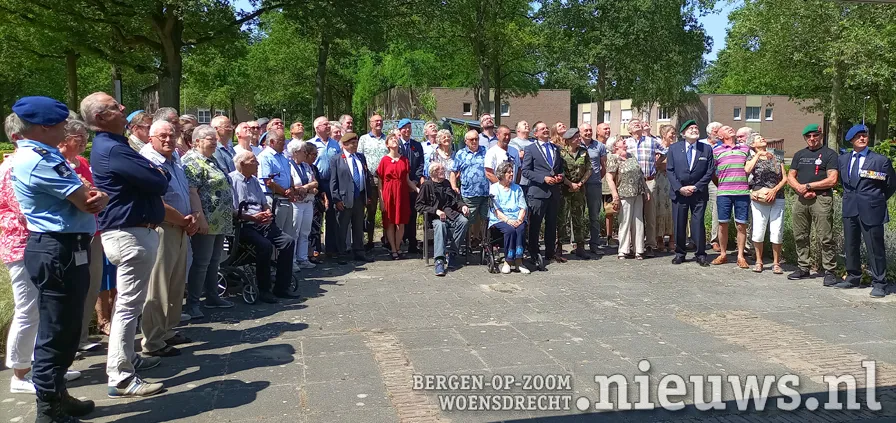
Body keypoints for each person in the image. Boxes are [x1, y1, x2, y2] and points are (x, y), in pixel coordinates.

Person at [12, 96, 109, 421]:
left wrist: (96, 197)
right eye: (60, 125)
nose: (66, 130)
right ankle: (49, 409)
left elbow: (89, 196)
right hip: (57, 248)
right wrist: (97, 198)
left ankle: (59, 395)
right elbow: (86, 201)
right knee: (56, 331)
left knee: (67, 328)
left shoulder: (46, 155)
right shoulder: (39, 159)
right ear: (44, 127)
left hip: (66, 246)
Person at [83, 92, 169, 399]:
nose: (123, 108)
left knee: (127, 304)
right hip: (129, 234)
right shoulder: (113, 149)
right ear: (101, 118)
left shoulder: (116, 146)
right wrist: (156, 173)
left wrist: (156, 173)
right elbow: (160, 181)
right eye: (115, 107)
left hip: (132, 233)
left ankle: (129, 360)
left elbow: (158, 176)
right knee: (128, 306)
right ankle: (120, 376)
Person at [2, 112, 84, 398]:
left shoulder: (36, 160)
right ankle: (20, 372)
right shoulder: (15, 165)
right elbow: (22, 207)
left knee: (46, 310)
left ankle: (44, 368)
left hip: (37, 241)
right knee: (28, 308)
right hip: (22, 242)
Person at [138, 121, 197, 357]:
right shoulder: (148, 161)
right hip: (163, 227)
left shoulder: (175, 160)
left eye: (172, 136)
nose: (168, 140)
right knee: (158, 285)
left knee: (175, 283)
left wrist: (192, 217)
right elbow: (156, 202)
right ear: (150, 138)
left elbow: (185, 191)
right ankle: (152, 340)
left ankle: (167, 330)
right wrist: (183, 219)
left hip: (182, 226)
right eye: (162, 136)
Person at [58, 117, 104, 353]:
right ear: (65, 140)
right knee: (71, 288)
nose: (85, 143)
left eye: (87, 138)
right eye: (81, 139)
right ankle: (67, 342)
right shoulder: (56, 165)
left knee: (91, 284)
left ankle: (82, 336)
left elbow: (95, 191)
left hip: (92, 229)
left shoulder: (83, 162)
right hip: (70, 234)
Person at [231, 152, 300, 302]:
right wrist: (252, 218)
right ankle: (264, 289)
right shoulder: (231, 180)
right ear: (243, 164)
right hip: (244, 225)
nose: (257, 164)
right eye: (253, 161)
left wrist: (267, 212)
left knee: (288, 241)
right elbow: (232, 211)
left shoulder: (254, 181)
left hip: (262, 222)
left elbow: (263, 203)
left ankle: (282, 287)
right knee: (265, 245)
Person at [182, 124, 236, 317]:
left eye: (215, 139)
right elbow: (192, 191)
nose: (214, 142)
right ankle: (193, 303)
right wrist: (201, 219)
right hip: (206, 220)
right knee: (202, 262)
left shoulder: (211, 159)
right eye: (210, 139)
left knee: (214, 261)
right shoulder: (191, 161)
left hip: (219, 220)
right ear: (197, 141)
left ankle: (213, 296)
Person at [837, 125, 896, 297]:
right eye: (858, 136)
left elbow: (891, 185)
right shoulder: (843, 159)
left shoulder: (880, 160)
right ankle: (853, 276)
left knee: (875, 247)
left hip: (872, 209)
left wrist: (876, 199)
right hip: (850, 208)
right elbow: (845, 182)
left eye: (864, 136)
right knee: (851, 245)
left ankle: (879, 282)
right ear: (851, 140)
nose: (862, 139)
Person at [786, 124, 839, 285]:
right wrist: (801, 190)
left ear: (820, 136)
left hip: (821, 199)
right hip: (801, 199)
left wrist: (809, 186)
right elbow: (790, 176)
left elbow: (832, 179)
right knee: (800, 235)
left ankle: (830, 270)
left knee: (825, 237)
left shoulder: (830, 154)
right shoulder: (799, 155)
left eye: (815, 136)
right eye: (808, 136)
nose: (812, 139)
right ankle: (803, 267)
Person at [667, 120, 715, 267]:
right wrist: (679, 188)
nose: (694, 130)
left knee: (698, 223)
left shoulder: (706, 149)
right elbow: (670, 170)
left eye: (696, 128)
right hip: (679, 193)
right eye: (690, 128)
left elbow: (710, 171)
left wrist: (696, 187)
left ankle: (700, 254)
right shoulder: (674, 148)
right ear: (683, 133)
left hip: (698, 193)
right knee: (679, 223)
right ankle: (680, 253)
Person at [522, 121, 565, 271]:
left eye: (547, 128)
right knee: (535, 225)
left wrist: (560, 177)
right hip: (538, 193)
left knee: (551, 225)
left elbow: (561, 169)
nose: (546, 130)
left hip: (553, 193)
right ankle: (533, 253)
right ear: (536, 133)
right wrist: (543, 178)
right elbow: (526, 171)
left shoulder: (555, 148)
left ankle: (550, 252)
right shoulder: (530, 149)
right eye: (542, 129)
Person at [417, 161, 470, 276]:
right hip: (434, 218)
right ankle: (439, 260)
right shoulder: (426, 185)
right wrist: (435, 211)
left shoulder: (446, 183)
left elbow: (455, 201)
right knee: (440, 225)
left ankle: (452, 253)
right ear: (434, 172)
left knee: (464, 221)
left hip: (450, 214)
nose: (443, 171)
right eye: (440, 169)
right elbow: (419, 205)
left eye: (443, 169)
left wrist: (463, 206)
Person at [621, 119, 665, 257]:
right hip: (631, 184)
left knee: (650, 215)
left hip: (649, 181)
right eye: (633, 124)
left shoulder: (652, 141)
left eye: (638, 123)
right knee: (632, 216)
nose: (637, 124)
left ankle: (650, 244)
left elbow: (666, 150)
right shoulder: (626, 143)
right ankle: (631, 246)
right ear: (629, 130)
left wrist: (656, 163)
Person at [744, 133, 786, 274]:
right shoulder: (750, 157)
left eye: (762, 137)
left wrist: (774, 190)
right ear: (752, 145)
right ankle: (759, 261)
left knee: (777, 230)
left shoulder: (777, 155)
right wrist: (758, 154)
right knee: (758, 230)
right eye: (758, 138)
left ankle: (776, 263)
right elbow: (747, 170)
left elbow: (784, 178)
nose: (762, 138)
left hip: (777, 196)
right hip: (759, 197)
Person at [710, 126, 751, 268]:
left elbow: (751, 166)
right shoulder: (716, 150)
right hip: (724, 193)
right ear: (720, 136)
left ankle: (740, 256)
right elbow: (712, 172)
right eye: (726, 129)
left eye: (730, 128)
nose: (730, 129)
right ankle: (722, 254)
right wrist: (721, 185)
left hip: (742, 193)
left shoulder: (745, 148)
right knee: (722, 224)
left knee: (741, 225)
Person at [330, 133, 373, 263]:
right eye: (352, 143)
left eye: (356, 143)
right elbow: (333, 181)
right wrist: (336, 199)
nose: (355, 145)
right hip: (344, 199)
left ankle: (359, 251)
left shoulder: (360, 157)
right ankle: (342, 253)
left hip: (359, 197)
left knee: (358, 226)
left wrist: (368, 195)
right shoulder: (336, 159)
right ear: (344, 144)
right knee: (342, 227)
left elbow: (366, 177)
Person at [607, 140, 649, 259]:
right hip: (624, 194)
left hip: (637, 193)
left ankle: (639, 249)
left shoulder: (632, 156)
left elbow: (640, 175)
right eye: (622, 142)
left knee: (638, 222)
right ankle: (623, 250)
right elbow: (609, 178)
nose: (625, 143)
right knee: (625, 221)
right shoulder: (613, 158)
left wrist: (646, 189)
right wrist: (615, 195)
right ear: (615, 146)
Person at [378, 133, 417, 260]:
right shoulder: (384, 160)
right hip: (389, 193)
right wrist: (382, 200)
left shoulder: (404, 160)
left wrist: (417, 189)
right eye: (391, 139)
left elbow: (407, 180)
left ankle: (398, 246)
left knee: (401, 222)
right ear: (387, 144)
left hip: (401, 193)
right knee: (390, 222)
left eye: (396, 139)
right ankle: (393, 249)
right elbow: (380, 182)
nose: (395, 140)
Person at [450, 130, 490, 252]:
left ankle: (484, 244)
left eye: (476, 139)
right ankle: (467, 245)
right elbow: (453, 171)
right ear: (466, 141)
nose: (474, 141)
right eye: (471, 139)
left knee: (486, 219)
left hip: (486, 193)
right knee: (469, 220)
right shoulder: (460, 154)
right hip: (469, 193)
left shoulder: (485, 151)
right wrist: (453, 186)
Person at [308, 116, 341, 257]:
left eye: (329, 124)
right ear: (317, 128)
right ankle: (315, 249)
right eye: (325, 124)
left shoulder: (335, 144)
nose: (328, 126)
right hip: (317, 182)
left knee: (332, 217)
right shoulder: (310, 144)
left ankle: (331, 249)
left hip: (332, 183)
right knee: (316, 217)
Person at [557, 127, 591, 260]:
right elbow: (559, 171)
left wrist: (580, 184)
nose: (579, 139)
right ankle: (558, 246)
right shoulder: (561, 153)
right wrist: (570, 184)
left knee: (578, 218)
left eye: (578, 136)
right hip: (565, 190)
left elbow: (589, 169)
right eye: (576, 137)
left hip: (579, 190)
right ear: (569, 140)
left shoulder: (583, 152)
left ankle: (580, 247)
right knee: (562, 219)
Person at [489, 161, 528, 274]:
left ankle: (519, 261)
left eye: (512, 172)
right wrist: (508, 220)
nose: (512, 174)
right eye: (509, 172)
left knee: (520, 228)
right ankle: (508, 261)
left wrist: (519, 220)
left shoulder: (517, 188)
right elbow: (496, 210)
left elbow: (523, 207)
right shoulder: (494, 188)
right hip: (500, 219)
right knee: (510, 230)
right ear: (501, 174)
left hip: (517, 218)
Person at [257, 130, 295, 239]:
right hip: (275, 199)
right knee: (276, 234)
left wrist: (291, 188)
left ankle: (285, 256)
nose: (284, 143)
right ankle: (274, 256)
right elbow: (268, 181)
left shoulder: (283, 157)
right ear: (272, 142)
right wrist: (285, 192)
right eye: (281, 141)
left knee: (288, 233)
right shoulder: (265, 157)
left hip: (286, 199)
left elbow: (289, 175)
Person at [358, 114, 388, 250]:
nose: (379, 123)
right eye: (376, 121)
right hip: (369, 180)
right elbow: (359, 157)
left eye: (381, 121)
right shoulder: (364, 139)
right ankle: (369, 241)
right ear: (370, 124)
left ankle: (387, 239)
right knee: (370, 211)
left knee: (386, 211)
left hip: (386, 181)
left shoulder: (387, 138)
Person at [287, 140, 318, 269]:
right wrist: (305, 188)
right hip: (296, 203)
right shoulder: (289, 165)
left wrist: (305, 187)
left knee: (305, 232)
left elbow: (315, 183)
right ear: (295, 153)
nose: (306, 154)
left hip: (308, 202)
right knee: (294, 232)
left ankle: (303, 258)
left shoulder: (306, 166)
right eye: (303, 151)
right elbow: (292, 184)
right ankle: (292, 260)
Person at [397, 118, 425, 253]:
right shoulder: (395, 145)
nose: (407, 130)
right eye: (404, 128)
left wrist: (414, 181)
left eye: (409, 127)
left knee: (413, 213)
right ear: (399, 130)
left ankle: (412, 242)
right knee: (401, 214)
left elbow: (420, 164)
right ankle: (400, 240)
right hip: (400, 186)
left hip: (413, 185)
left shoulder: (416, 145)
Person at [580, 123, 608, 255]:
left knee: (594, 216)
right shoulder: (575, 145)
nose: (588, 132)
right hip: (579, 185)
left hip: (594, 185)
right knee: (577, 214)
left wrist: (596, 178)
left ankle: (595, 244)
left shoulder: (599, 146)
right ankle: (578, 243)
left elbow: (604, 166)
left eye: (590, 130)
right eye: (585, 130)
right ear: (580, 132)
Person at [700, 121, 723, 251]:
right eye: (716, 131)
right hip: (701, 180)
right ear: (709, 132)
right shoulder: (700, 144)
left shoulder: (723, 145)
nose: (718, 134)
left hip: (716, 180)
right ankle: (695, 238)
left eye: (720, 131)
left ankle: (715, 240)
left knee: (716, 210)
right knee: (698, 209)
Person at [654, 124, 676, 253]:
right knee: (660, 209)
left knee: (673, 210)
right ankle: (660, 238)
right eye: (671, 133)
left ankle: (672, 239)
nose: (673, 136)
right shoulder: (658, 147)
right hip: (660, 180)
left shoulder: (677, 147)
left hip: (673, 180)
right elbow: (656, 164)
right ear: (664, 134)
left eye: (674, 133)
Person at [595, 122, 617, 248]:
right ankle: (596, 237)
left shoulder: (612, 147)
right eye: (605, 129)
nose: (607, 130)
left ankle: (609, 236)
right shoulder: (594, 145)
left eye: (609, 128)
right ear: (598, 131)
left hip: (609, 183)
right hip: (597, 181)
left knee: (610, 211)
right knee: (595, 211)